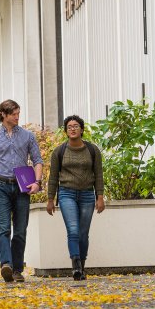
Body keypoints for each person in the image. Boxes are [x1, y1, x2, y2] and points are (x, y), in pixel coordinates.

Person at [0, 99, 43, 283]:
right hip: (1, 186)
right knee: (2, 228)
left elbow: (37, 160)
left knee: (20, 230)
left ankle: (17, 269)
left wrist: (37, 182)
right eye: (14, 114)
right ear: (3, 114)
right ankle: (6, 265)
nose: (18, 117)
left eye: (19, 113)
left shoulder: (28, 136)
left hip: (22, 187)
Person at [46, 115, 104, 280]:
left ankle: (82, 267)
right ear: (65, 131)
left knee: (83, 233)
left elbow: (99, 175)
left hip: (87, 194)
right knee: (73, 230)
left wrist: (100, 197)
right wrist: (50, 199)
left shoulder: (92, 150)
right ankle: (76, 266)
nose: (72, 128)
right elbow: (53, 177)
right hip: (66, 194)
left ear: (82, 129)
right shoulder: (59, 151)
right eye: (69, 126)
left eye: (76, 126)